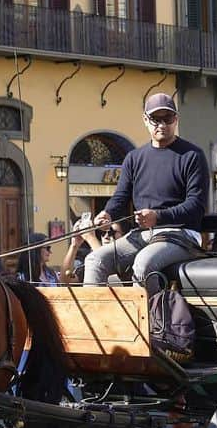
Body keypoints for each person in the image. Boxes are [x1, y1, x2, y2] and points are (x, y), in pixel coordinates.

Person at [83, 93, 209, 293]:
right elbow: (121, 197)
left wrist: (158, 217)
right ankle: (94, 323)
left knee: (143, 265)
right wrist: (107, 214)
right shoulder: (134, 158)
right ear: (145, 120)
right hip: (142, 234)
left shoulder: (193, 156)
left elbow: (196, 205)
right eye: (155, 119)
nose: (162, 124)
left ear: (176, 119)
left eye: (167, 119)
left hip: (181, 234)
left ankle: (150, 323)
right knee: (94, 261)